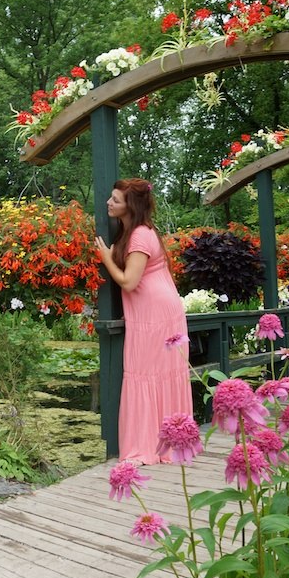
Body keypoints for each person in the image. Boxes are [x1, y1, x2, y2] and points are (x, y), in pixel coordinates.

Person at [94, 178, 193, 465]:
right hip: (155, 310)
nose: (109, 203)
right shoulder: (139, 231)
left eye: (115, 200)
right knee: (153, 374)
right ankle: (165, 441)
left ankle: (151, 445)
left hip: (155, 314)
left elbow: (128, 281)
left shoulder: (139, 236)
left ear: (131, 206)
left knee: (146, 373)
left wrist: (106, 258)